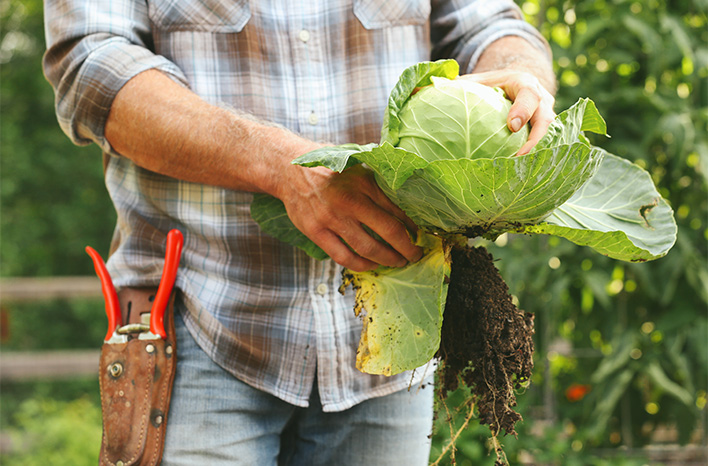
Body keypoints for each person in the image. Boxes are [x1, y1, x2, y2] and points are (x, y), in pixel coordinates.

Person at [43, 1, 555, 464]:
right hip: (199, 324)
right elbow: (90, 65)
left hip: (395, 324)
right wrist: (281, 165)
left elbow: (491, 26)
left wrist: (524, 80)